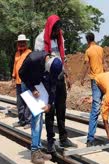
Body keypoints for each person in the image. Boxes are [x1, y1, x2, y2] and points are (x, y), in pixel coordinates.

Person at [34, 14, 76, 152]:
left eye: (58, 30)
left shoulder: (60, 38)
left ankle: (63, 138)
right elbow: (37, 61)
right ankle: (51, 140)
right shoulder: (40, 39)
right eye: (54, 30)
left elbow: (63, 58)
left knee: (61, 109)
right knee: (50, 110)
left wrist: (67, 75)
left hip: (59, 78)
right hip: (47, 80)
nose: (56, 33)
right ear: (50, 27)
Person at [19, 50, 63, 164]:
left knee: (40, 117)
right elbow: (21, 74)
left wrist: (49, 103)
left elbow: (53, 86)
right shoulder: (33, 59)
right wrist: (32, 89)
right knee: (37, 117)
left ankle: (38, 148)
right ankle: (34, 152)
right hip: (28, 85)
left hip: (39, 86)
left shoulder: (54, 66)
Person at [81, 32, 106, 147]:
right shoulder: (100, 48)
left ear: (87, 40)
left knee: (95, 108)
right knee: (107, 104)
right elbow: (104, 63)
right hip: (103, 79)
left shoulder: (88, 51)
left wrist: (81, 78)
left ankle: (90, 139)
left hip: (95, 81)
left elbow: (86, 66)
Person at [12, 34, 32, 129]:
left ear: (26, 43)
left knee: (28, 101)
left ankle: (29, 121)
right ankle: (21, 120)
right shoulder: (16, 54)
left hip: (26, 81)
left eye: (23, 42)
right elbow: (15, 66)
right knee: (20, 102)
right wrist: (13, 77)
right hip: (18, 82)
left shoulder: (29, 53)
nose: (21, 44)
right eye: (20, 42)